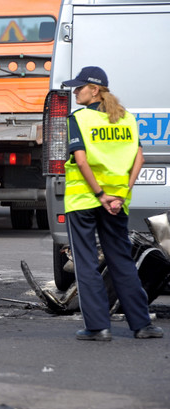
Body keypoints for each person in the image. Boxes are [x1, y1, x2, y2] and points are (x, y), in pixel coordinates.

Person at [62, 66, 163, 341]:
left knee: (86, 263)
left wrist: (99, 194)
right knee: (122, 261)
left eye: (79, 87)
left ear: (95, 90)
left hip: (85, 199)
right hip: (117, 202)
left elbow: (81, 161)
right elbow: (139, 159)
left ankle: (98, 327)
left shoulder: (79, 120)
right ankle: (142, 325)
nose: (75, 91)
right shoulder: (127, 119)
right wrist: (119, 195)